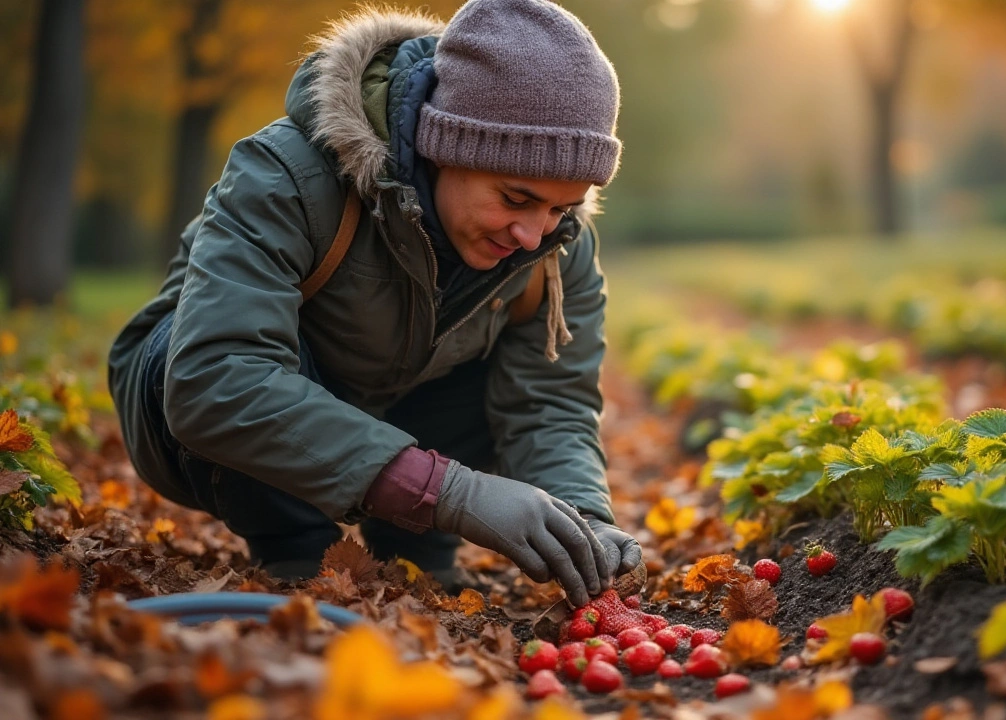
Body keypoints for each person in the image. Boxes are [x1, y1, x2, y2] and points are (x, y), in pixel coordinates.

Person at [106, 0, 641, 608]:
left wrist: (585, 519)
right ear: (443, 145)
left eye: (561, 208)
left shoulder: (554, 244)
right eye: (516, 197)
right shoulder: (285, 174)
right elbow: (215, 378)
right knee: (204, 353)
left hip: (399, 396)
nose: (534, 233)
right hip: (187, 405)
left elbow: (550, 402)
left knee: (425, 553)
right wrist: (455, 494)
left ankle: (415, 554)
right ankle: (297, 550)